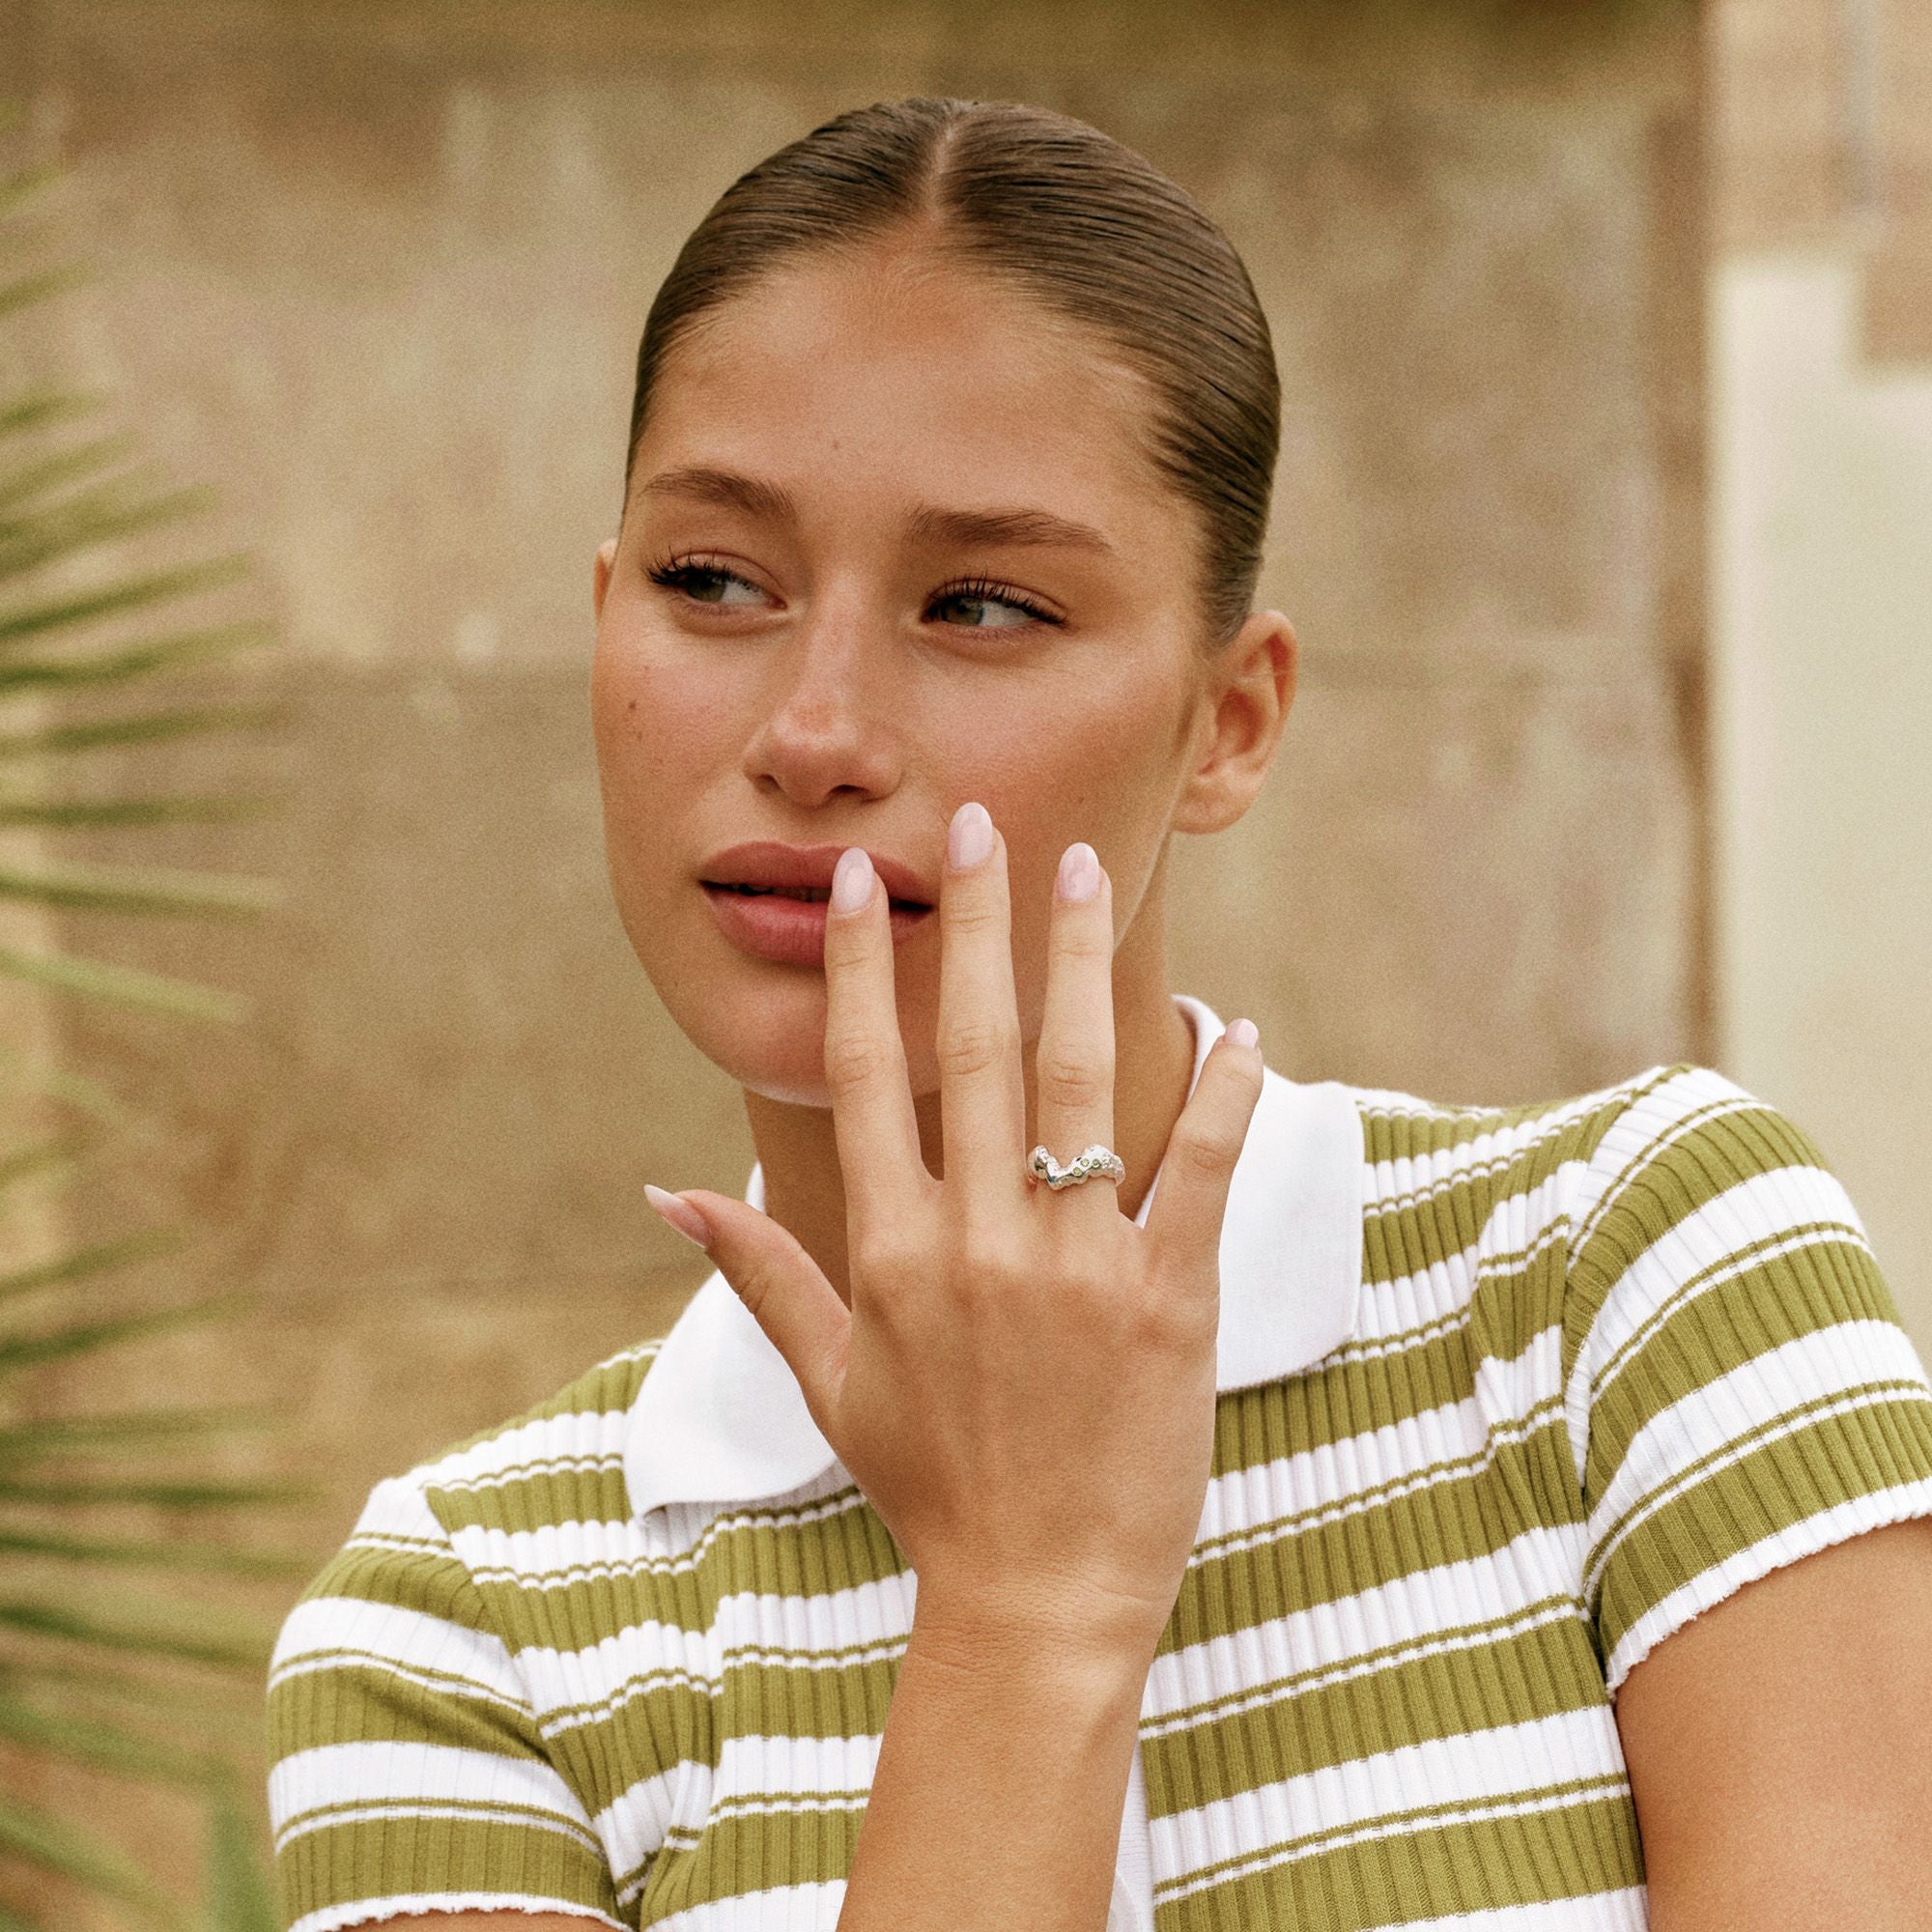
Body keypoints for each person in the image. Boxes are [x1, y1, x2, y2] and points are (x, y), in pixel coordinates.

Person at [264, 95, 1932, 1932]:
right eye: (711, 580)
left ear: (1229, 722)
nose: (811, 733)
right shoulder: (459, 1641)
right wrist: (1020, 1608)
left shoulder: (1625, 1293)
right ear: (603, 620)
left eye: (981, 605)